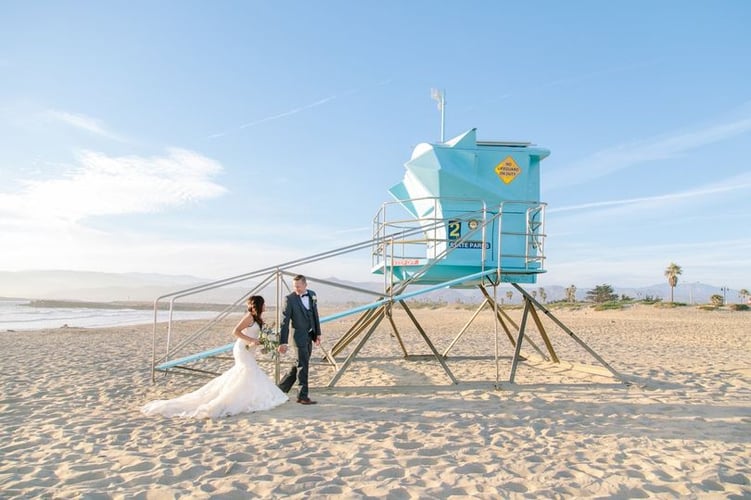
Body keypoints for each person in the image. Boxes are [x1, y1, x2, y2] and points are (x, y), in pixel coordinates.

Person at [142, 295, 288, 418]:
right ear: (259, 305)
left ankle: (248, 398)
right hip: (242, 349)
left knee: (247, 373)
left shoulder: (258, 319)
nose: (265, 306)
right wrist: (250, 340)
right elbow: (235, 331)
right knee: (248, 372)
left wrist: (267, 343)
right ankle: (234, 400)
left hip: (250, 349)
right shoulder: (249, 317)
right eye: (264, 304)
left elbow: (259, 336)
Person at [277, 275, 322, 405]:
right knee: (303, 366)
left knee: (299, 364)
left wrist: (317, 333)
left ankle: (280, 389)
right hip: (298, 337)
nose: (296, 288)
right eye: (294, 286)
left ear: (305, 285)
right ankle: (302, 396)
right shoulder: (289, 299)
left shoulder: (312, 295)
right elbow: (284, 322)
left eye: (298, 286)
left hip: (310, 335)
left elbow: (315, 314)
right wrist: (283, 342)